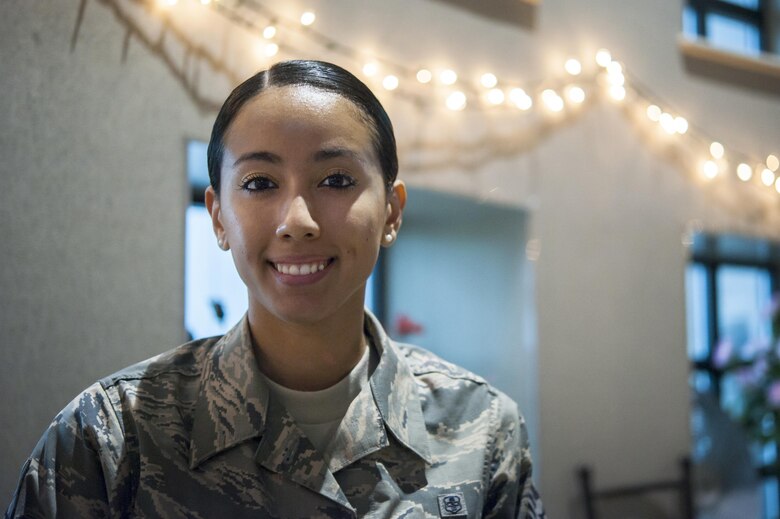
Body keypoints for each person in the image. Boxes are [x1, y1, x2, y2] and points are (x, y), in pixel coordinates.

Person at [6, 60, 545, 518]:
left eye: (336, 180)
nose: (298, 220)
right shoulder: (111, 437)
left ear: (392, 212)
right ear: (218, 217)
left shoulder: (483, 429)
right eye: (260, 184)